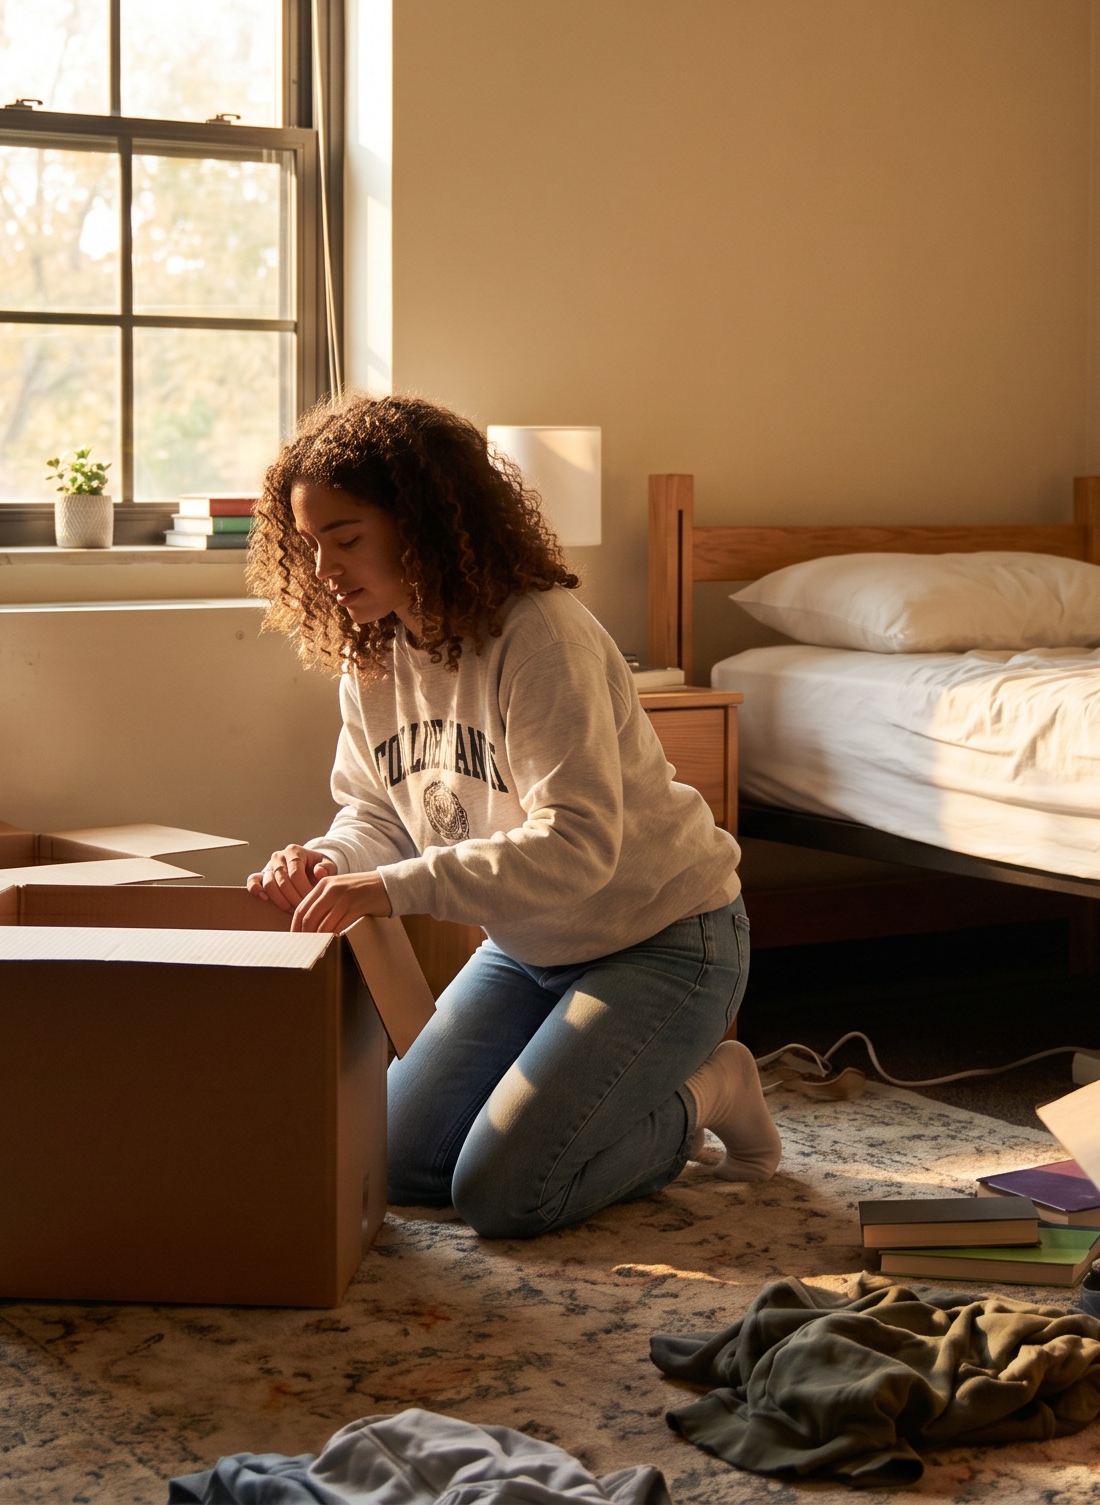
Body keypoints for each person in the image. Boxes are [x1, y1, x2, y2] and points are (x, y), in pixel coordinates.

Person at [244, 394, 776, 1238]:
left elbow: (576, 849)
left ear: (417, 525)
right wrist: (330, 860)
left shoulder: (542, 637)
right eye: (309, 546)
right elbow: (372, 812)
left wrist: (388, 888)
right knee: (399, 1167)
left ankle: (713, 1089)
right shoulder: (372, 655)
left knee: (505, 1194)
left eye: (345, 539)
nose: (322, 571)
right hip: (528, 950)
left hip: (665, 943)